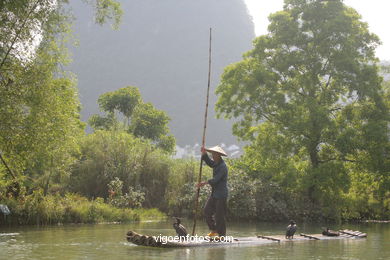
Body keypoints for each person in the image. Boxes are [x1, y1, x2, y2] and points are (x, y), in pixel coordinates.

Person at [196, 145, 228, 237]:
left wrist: (204, 183)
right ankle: (214, 230)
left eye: (214, 154)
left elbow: (215, 180)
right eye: (212, 153)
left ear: (218, 155)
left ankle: (222, 235)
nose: (213, 156)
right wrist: (204, 153)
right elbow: (210, 163)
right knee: (207, 211)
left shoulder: (222, 166)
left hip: (221, 195)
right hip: (214, 194)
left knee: (219, 216)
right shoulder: (216, 163)